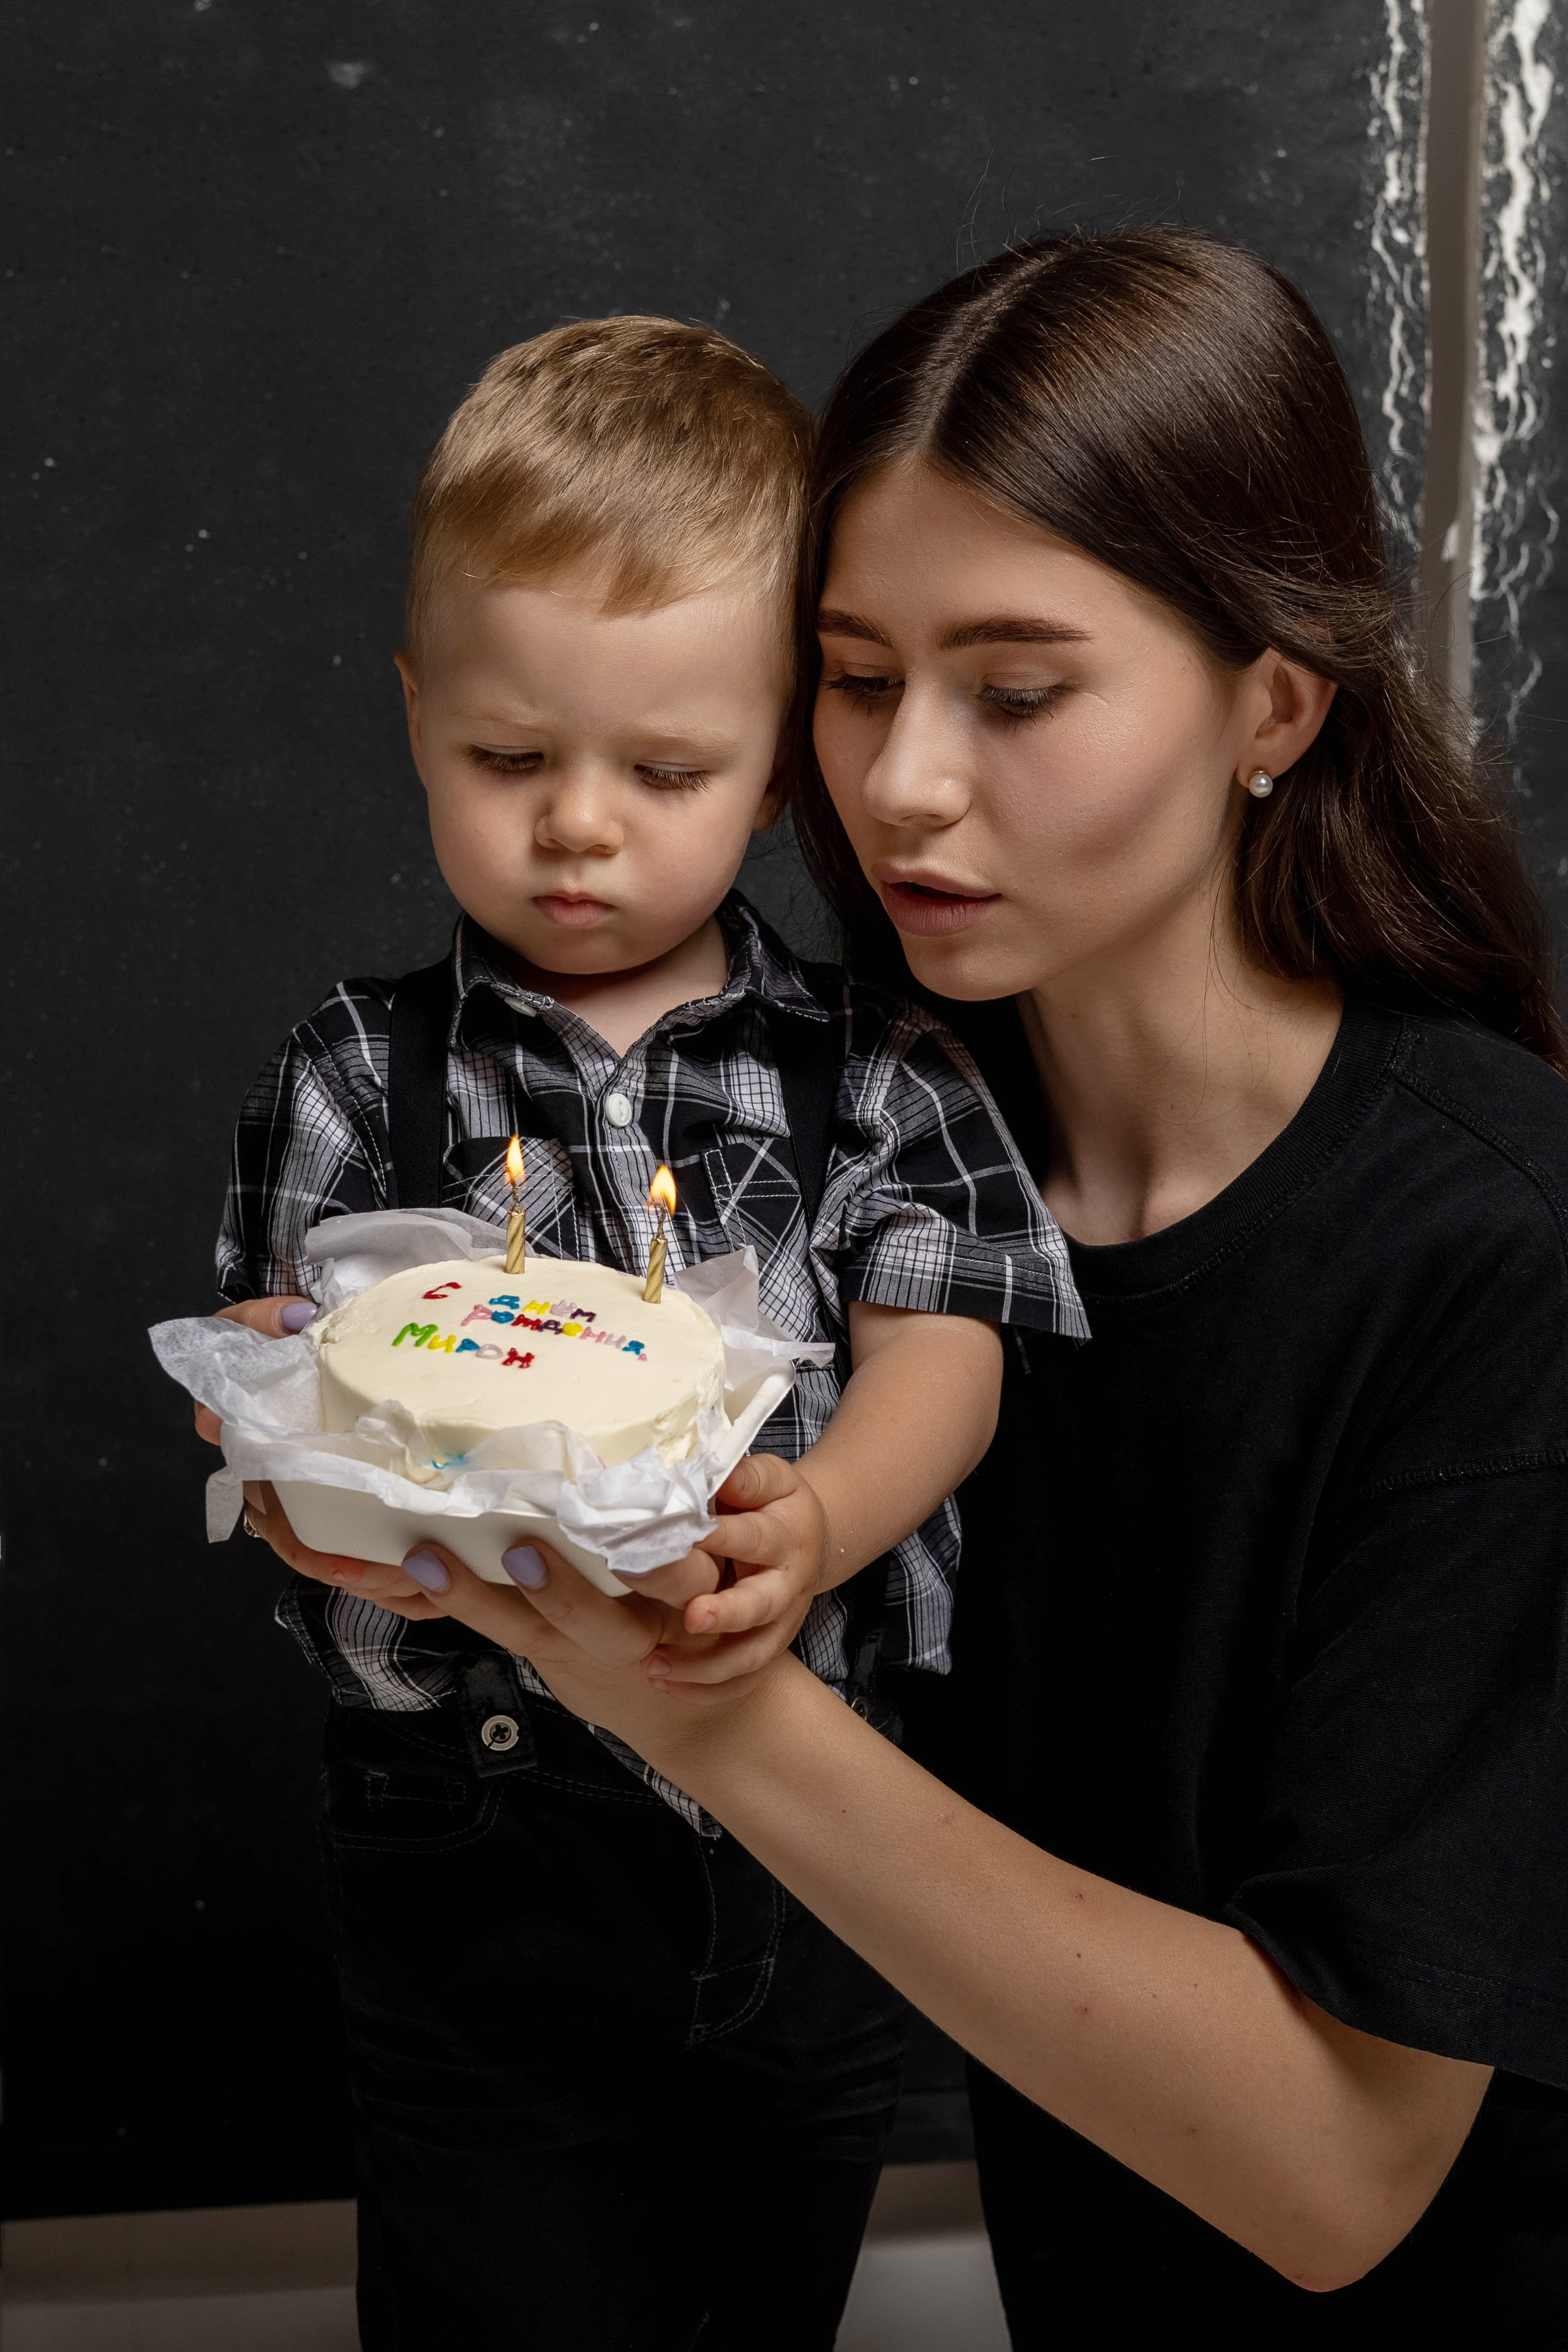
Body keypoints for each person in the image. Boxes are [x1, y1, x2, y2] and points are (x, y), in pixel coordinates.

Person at [405, 231, 1568, 2335]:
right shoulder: (831, 1167)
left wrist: (696, 1690)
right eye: (856, 680)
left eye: (1017, 694)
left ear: (1273, 705)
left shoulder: (1503, 1258)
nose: (904, 784)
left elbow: (1335, 2174)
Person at [208, 314, 1082, 2350]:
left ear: (780, 762)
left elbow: (952, 1330)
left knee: (757, 2292)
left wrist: (831, 1516)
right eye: (508, 759)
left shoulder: (870, 1069)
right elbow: (296, 1380)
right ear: (419, 716)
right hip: (472, 1850)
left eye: (663, 770)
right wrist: (291, 1467)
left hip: (813, 1850)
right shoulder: (355, 1072)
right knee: (486, 2298)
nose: (578, 825)